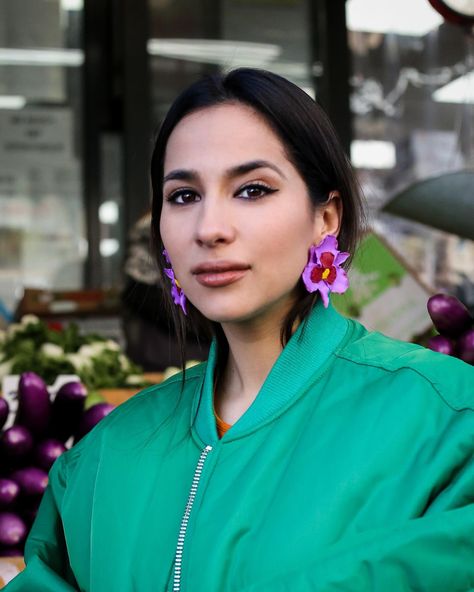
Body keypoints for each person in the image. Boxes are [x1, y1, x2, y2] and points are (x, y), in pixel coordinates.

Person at [5, 68, 474, 591]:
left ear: (326, 217)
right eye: (183, 196)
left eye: (252, 190)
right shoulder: (101, 459)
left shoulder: (446, 420)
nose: (210, 229)